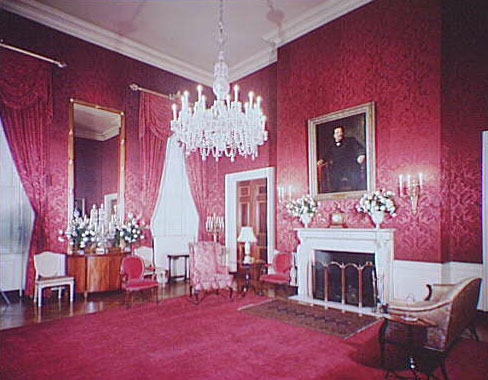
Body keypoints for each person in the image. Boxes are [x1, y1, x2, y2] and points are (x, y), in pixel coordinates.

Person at [317, 126, 366, 193]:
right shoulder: (332, 145)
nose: (340, 134)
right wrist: (322, 160)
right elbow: (327, 155)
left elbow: (358, 148)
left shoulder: (351, 140)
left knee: (355, 180)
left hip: (350, 166)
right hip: (337, 168)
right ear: (334, 135)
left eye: (341, 132)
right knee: (333, 181)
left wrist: (361, 155)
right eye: (337, 132)